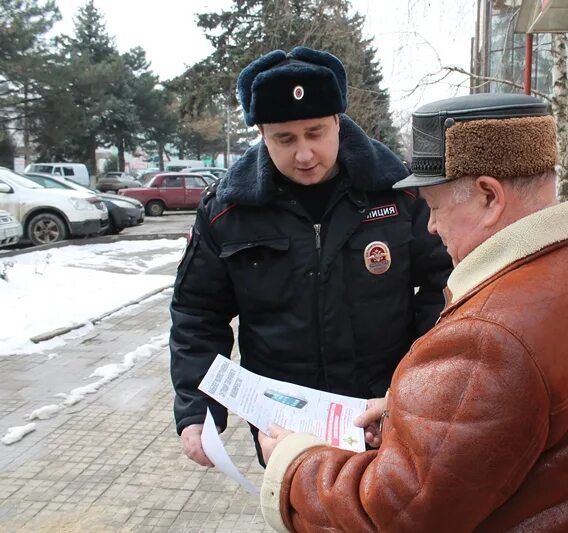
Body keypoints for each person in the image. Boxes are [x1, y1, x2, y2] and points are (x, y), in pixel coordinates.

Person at [256, 93, 568, 532]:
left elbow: (393, 518)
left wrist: (294, 464)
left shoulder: (490, 334)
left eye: (435, 206)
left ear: (488, 197)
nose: (431, 225)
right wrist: (415, 415)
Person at [169, 46, 452, 467]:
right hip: (284, 422)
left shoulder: (398, 191)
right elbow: (197, 313)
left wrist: (419, 386)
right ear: (262, 134)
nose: (304, 154)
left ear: (338, 121)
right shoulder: (229, 209)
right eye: (285, 139)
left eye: (316, 133)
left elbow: (444, 285)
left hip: (381, 412)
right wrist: (197, 410)